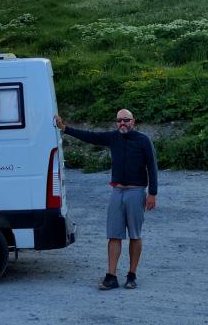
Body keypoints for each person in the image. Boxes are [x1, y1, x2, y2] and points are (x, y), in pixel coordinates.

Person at [55, 109, 158, 290]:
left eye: (126, 120)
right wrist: (66, 129)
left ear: (133, 121)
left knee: (135, 235)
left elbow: (152, 166)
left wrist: (152, 193)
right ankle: (111, 276)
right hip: (117, 192)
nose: (122, 123)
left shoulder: (143, 140)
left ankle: (131, 275)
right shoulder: (113, 137)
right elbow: (91, 136)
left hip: (136, 192)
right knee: (114, 235)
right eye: (119, 120)